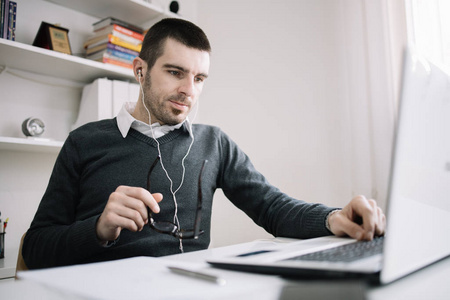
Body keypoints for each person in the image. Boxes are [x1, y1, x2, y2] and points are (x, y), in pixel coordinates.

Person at [23, 18, 385, 269]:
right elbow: (36, 248)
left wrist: (334, 218)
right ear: (140, 70)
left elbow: (273, 208)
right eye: (176, 72)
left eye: (199, 78)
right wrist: (98, 228)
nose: (189, 90)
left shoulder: (214, 143)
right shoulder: (84, 142)